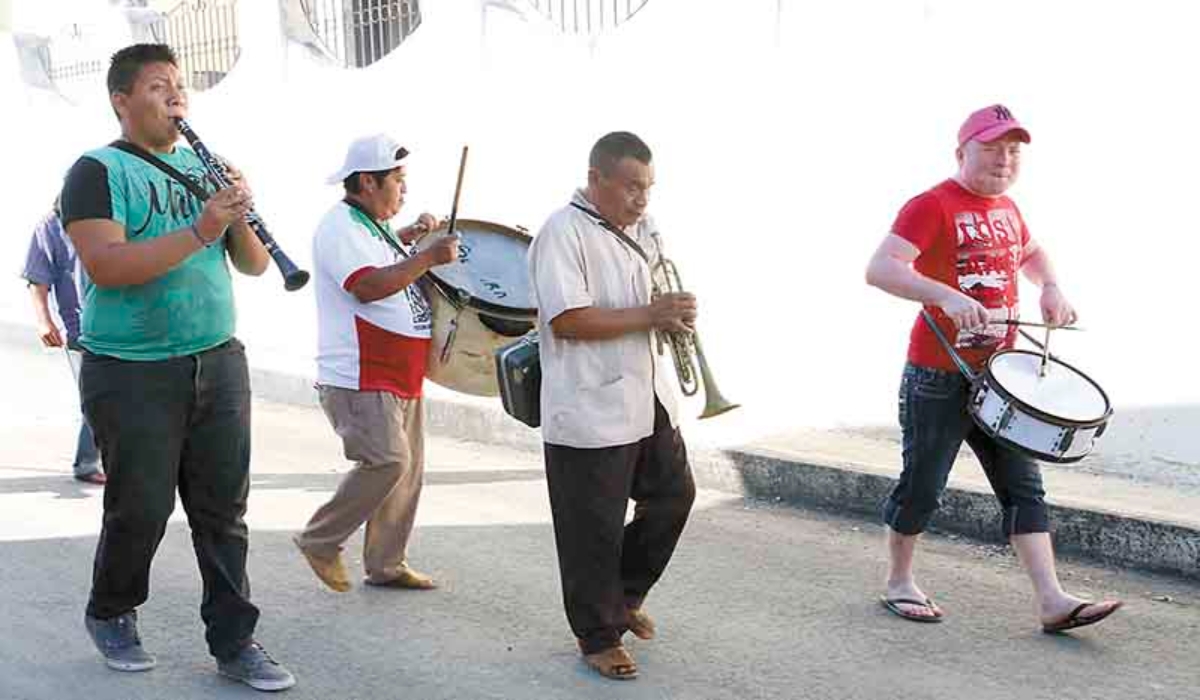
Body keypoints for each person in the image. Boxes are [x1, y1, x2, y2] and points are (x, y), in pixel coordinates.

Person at [59, 43, 294, 691]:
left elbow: (251, 265)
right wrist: (198, 228)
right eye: (158, 86)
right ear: (122, 100)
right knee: (142, 507)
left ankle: (235, 640)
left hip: (218, 359)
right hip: (131, 369)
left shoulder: (206, 166)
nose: (176, 96)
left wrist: (239, 212)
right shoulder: (95, 172)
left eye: (180, 85)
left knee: (224, 511)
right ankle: (111, 609)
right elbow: (107, 266)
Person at [864, 104, 1123, 634]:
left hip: (1002, 379)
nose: (1004, 160)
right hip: (938, 374)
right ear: (962, 152)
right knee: (923, 486)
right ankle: (898, 581)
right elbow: (881, 268)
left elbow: (1030, 253)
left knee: (1024, 488)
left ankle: (1052, 600)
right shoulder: (931, 205)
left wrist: (1050, 285)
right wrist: (943, 295)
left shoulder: (1006, 207)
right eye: (991, 149)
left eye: (1013, 151)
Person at [527, 131, 698, 680]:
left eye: (647, 187)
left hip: (648, 397)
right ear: (595, 178)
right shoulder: (563, 232)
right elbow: (567, 320)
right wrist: (651, 313)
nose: (641, 198)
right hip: (588, 404)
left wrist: (672, 315)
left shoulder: (645, 230)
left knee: (674, 496)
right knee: (591, 528)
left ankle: (621, 598)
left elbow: (649, 304)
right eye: (629, 186)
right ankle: (598, 635)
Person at [293, 134, 458, 594]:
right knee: (387, 461)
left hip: (399, 370)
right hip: (363, 372)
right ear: (368, 181)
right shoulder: (340, 226)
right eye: (398, 181)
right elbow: (366, 285)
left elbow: (384, 257)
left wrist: (410, 239)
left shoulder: (370, 225)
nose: (404, 192)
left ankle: (387, 563)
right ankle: (320, 539)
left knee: (406, 470)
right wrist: (426, 257)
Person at [21, 201, 105, 485]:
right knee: (96, 397)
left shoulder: (112, 217)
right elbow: (37, 277)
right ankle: (87, 463)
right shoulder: (50, 226)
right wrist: (44, 321)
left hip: (125, 323)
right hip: (80, 328)